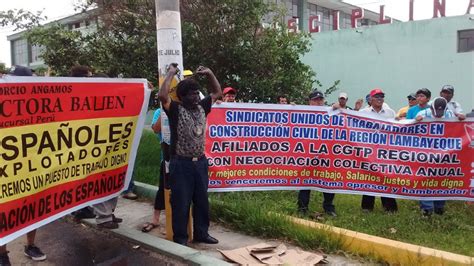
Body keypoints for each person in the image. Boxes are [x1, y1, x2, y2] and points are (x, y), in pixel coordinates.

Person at [158, 64, 222, 245]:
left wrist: (210, 73)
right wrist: (171, 72)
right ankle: (181, 239)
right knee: (181, 202)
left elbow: (217, 92)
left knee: (201, 201)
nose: (195, 96)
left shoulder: (202, 107)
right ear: (182, 97)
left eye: (196, 93)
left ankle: (202, 233)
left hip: (200, 163)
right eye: (191, 94)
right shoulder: (176, 110)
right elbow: (163, 95)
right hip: (181, 164)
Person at [0, 66, 47, 266]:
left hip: (33, 165)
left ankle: (30, 245)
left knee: (33, 207)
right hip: (8, 166)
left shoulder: (39, 102)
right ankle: (2, 253)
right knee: (5, 210)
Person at [415, 97, 458, 216]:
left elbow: (458, 127)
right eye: (436, 112)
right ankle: (427, 209)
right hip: (426, 155)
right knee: (426, 180)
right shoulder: (422, 114)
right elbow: (410, 129)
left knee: (441, 180)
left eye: (440, 112)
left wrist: (461, 118)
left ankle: (439, 207)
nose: (438, 115)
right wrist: (415, 120)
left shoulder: (449, 114)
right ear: (431, 108)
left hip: (444, 154)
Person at [297, 90, 337, 217]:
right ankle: (302, 208)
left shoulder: (330, 113)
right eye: (315, 100)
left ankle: (329, 208)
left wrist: (339, 108)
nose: (318, 102)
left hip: (326, 155)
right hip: (308, 156)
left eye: (320, 99)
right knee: (305, 182)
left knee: (328, 182)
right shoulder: (302, 114)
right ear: (310, 102)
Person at [359, 88, 398, 213]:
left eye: (381, 96)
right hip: (369, 151)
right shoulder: (363, 112)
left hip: (385, 151)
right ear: (370, 99)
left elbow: (396, 129)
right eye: (377, 97)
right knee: (369, 177)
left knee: (386, 177)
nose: (380, 99)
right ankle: (367, 207)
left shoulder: (390, 113)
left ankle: (389, 207)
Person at [142, 107, 166, 232]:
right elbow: (156, 129)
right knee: (163, 188)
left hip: (184, 157)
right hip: (166, 158)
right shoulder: (159, 111)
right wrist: (164, 111)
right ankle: (155, 219)